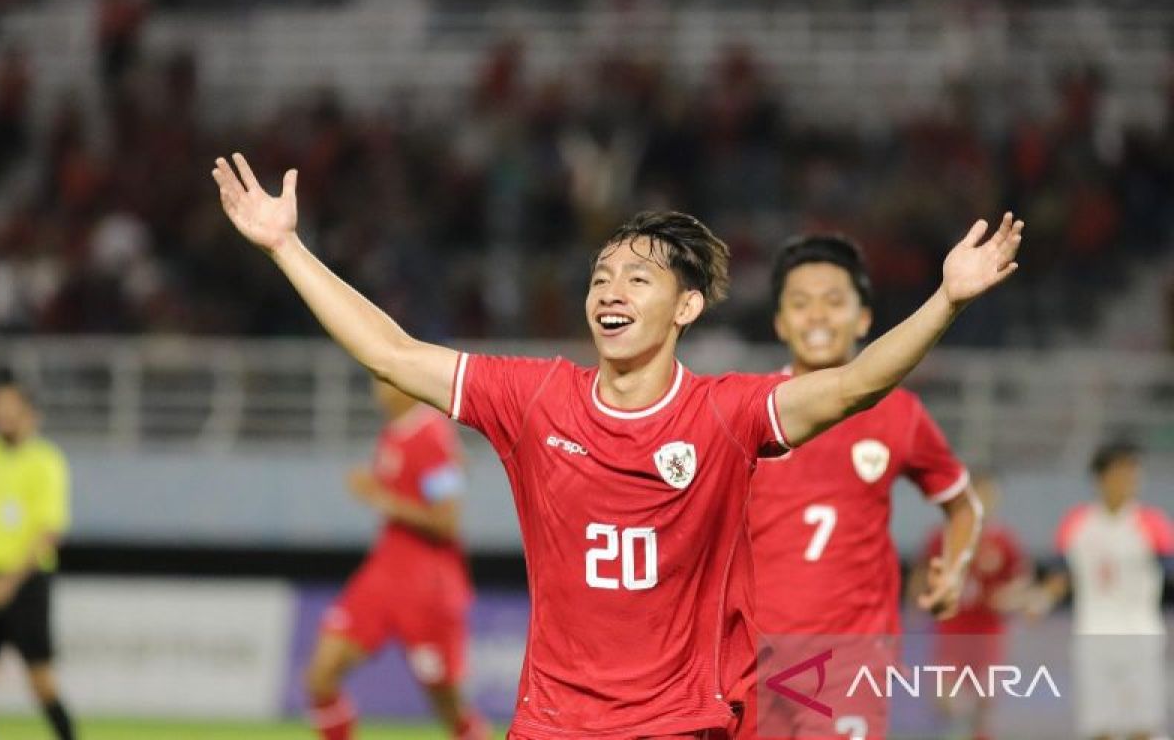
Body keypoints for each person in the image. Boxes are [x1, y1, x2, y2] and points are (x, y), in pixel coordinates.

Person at [212, 151, 1022, 738]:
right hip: (550, 724)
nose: (611, 290)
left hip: (677, 725)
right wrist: (287, 247)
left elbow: (851, 387)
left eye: (638, 278)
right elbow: (390, 352)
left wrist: (946, 300)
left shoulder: (723, 416)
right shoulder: (534, 398)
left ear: (687, 309)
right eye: (602, 276)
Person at [749, 235, 983, 740]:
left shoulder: (899, 414)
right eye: (800, 303)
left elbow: (963, 507)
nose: (817, 316)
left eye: (834, 302)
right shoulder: (747, 409)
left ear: (862, 318)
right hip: (749, 654)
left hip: (849, 654)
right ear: (780, 321)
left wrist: (955, 570)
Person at [304, 379, 487, 740]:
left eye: (385, 381)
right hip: (384, 572)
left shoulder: (432, 437)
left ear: (407, 386)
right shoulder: (394, 434)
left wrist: (379, 497)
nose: (377, 389)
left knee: (446, 703)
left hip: (429, 585)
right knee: (321, 674)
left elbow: (446, 521)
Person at [1030, 441, 1173, 740]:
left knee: (1143, 726)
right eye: (1121, 473)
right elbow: (1060, 575)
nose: (1129, 481)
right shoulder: (1077, 523)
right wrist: (1041, 600)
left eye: (1134, 474)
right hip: (1092, 636)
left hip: (1141, 635)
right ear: (1100, 478)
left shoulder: (1153, 524)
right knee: (1098, 727)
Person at [0, 376, 76, 740]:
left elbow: (50, 532)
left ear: (29, 414)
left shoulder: (46, 461)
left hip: (28, 583)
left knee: (42, 683)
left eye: (9, 409)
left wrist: (8, 583)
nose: (0, 416)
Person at [912, 472, 1030, 740]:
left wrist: (1012, 597)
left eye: (990, 495)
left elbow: (1021, 582)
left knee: (985, 702)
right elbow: (921, 578)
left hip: (989, 633)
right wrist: (920, 604)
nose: (985, 501)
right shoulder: (943, 536)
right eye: (979, 494)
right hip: (953, 631)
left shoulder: (1004, 541)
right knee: (946, 701)